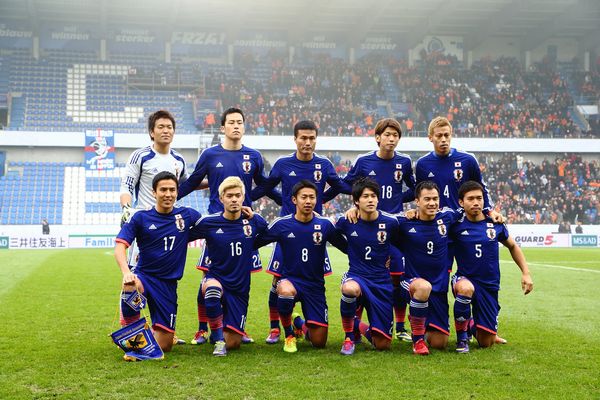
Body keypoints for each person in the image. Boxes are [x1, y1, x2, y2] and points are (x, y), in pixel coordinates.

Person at [178, 107, 280, 345]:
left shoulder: (253, 156)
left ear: (244, 126)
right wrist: (172, 199)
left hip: (243, 226)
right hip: (216, 227)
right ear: (223, 127)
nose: (236, 126)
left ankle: (238, 326)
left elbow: (264, 185)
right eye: (231, 122)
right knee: (208, 278)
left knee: (243, 276)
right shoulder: (210, 155)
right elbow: (193, 181)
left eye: (240, 122)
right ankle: (203, 329)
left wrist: (261, 200)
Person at [251, 120, 347, 344]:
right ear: (295, 139)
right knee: (278, 282)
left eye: (312, 138)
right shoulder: (284, 163)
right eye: (303, 138)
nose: (307, 142)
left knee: (313, 276)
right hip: (287, 230)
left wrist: (364, 197)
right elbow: (267, 187)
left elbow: (340, 186)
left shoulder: (323, 164)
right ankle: (276, 328)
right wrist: (248, 202)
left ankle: (301, 322)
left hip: (314, 230)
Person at [415, 116, 506, 344]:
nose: (444, 139)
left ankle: (484, 325)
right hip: (439, 230)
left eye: (447, 135)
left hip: (466, 226)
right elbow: (420, 193)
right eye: (439, 136)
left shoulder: (467, 160)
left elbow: (481, 189)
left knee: (481, 274)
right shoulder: (423, 165)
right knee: (438, 277)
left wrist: (490, 210)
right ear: (430, 138)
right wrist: (412, 211)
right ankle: (432, 326)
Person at [323, 117, 416, 342]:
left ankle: (400, 325)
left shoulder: (404, 162)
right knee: (363, 274)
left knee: (396, 277)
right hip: (367, 224)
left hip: (393, 227)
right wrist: (352, 205)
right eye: (387, 135)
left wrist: (403, 204)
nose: (391, 139)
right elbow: (346, 184)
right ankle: (353, 327)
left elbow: (415, 189)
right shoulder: (364, 161)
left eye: (395, 135)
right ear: (377, 137)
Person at [114, 172, 200, 361]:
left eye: (172, 190)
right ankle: (132, 337)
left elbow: (214, 225)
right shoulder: (140, 218)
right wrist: (126, 272)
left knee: (165, 346)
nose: (168, 194)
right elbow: (120, 246)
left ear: (177, 192)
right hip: (145, 277)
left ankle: (146, 336)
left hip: (168, 286)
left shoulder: (187, 215)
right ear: (154, 192)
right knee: (131, 286)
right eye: (163, 190)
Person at [119, 109, 188, 345]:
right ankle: (131, 330)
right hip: (145, 229)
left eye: (169, 127)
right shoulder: (140, 157)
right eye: (161, 127)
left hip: (169, 226)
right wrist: (128, 210)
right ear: (151, 132)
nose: (166, 130)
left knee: (162, 280)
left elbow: (185, 187)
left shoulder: (178, 161)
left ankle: (163, 328)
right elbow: (127, 186)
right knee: (134, 280)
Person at [254, 180, 347, 353]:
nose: (308, 201)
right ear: (294, 200)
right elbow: (254, 243)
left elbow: (347, 248)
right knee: (285, 290)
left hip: (315, 287)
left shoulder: (325, 225)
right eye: (304, 197)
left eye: (312, 197)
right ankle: (289, 335)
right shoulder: (281, 224)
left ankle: (299, 323)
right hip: (291, 280)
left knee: (318, 342)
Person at [450, 181, 533, 352]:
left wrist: (526, 273)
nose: (476, 202)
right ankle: (462, 339)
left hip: (489, 285)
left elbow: (513, 246)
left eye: (479, 198)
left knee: (485, 342)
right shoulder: (455, 224)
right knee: (465, 289)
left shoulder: (495, 223)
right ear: (461, 202)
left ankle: (472, 323)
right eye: (470, 198)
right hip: (464, 279)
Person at [189, 177, 268, 356]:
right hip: (216, 278)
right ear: (221, 198)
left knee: (233, 343)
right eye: (229, 195)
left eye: (237, 195)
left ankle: (221, 332)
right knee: (212, 290)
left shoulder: (253, 222)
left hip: (240, 289)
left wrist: (254, 215)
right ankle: (217, 340)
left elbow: (269, 230)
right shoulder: (209, 222)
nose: (234, 199)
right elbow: (182, 238)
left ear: (243, 198)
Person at [336, 178, 400, 355]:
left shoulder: (391, 223)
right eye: (365, 196)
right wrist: (349, 250)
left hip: (381, 281)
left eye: (373, 196)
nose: (370, 199)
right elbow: (331, 234)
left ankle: (356, 323)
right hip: (357, 276)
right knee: (349, 289)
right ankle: (349, 337)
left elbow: (401, 243)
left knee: (382, 345)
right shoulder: (347, 221)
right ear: (356, 201)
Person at [395, 181, 459, 355]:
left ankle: (418, 320)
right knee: (423, 287)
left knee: (440, 343)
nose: (432, 203)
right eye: (427, 199)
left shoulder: (447, 217)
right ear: (417, 201)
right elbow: (379, 218)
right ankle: (417, 341)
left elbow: (469, 208)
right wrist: (355, 210)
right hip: (411, 283)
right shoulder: (404, 222)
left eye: (435, 199)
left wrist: (490, 211)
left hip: (438, 288)